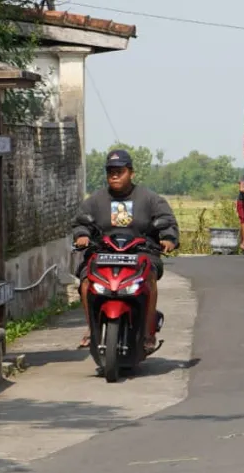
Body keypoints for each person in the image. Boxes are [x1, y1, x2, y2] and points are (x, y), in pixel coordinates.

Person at [73, 149, 178, 349]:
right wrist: (82, 235)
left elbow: (167, 222)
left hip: (141, 252)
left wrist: (168, 239)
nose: (114, 175)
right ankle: (92, 328)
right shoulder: (95, 200)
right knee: (86, 282)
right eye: (111, 171)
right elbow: (80, 222)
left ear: (131, 172)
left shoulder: (149, 198)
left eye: (120, 170)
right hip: (103, 252)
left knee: (149, 278)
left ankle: (148, 332)